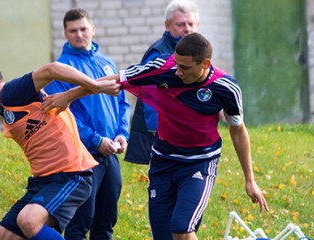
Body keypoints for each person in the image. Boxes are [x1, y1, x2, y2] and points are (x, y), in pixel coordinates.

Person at [43, 32, 270, 240]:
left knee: (182, 227)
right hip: (162, 161)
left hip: (199, 164)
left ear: (205, 64)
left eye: (185, 68)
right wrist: (69, 95)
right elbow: (113, 80)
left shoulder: (226, 87)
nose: (178, 71)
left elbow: (238, 130)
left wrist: (250, 180)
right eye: (176, 64)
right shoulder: (162, 67)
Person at [0, 56, 120, 240]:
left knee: (29, 221)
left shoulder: (11, 93)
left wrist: (95, 86)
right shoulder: (6, 105)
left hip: (71, 176)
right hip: (44, 182)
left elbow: (52, 69)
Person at [43, 8, 130, 240]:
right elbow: (62, 116)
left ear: (93, 29)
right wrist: (95, 140)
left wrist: (123, 134)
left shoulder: (107, 63)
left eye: (83, 29)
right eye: (73, 31)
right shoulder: (62, 70)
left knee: (106, 221)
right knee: (80, 223)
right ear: (65, 33)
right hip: (82, 157)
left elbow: (122, 103)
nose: (79, 34)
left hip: (110, 154)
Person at [125, 0, 199, 165]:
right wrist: (156, 132)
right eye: (180, 24)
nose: (187, 29)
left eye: (191, 23)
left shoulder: (195, 51)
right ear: (167, 25)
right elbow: (149, 95)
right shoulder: (159, 53)